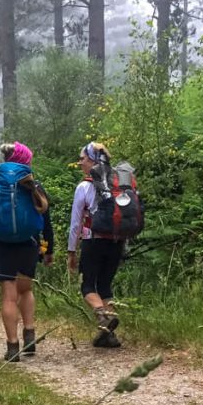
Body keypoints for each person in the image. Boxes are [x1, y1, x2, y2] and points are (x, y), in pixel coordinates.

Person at [0, 142, 54, 362]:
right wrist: (48, 248)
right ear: (25, 161)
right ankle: (29, 333)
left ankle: (13, 346)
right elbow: (45, 218)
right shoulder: (33, 185)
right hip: (28, 243)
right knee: (26, 290)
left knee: (8, 296)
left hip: (1, 244)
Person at [67, 142, 124, 348]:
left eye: (82, 158)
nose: (80, 162)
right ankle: (108, 336)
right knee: (105, 286)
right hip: (117, 241)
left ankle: (103, 318)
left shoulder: (85, 185)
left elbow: (75, 223)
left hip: (93, 241)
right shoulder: (118, 181)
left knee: (88, 285)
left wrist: (71, 251)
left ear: (92, 160)